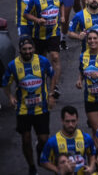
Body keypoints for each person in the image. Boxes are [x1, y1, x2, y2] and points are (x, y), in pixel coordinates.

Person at [3, 36, 55, 175]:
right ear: (20, 50)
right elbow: (5, 83)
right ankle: (32, 167)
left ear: (34, 48)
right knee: (26, 139)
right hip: (23, 109)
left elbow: (52, 75)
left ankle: (39, 150)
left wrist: (51, 95)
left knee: (43, 139)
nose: (27, 51)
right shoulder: (13, 65)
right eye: (24, 49)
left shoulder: (42, 61)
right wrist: (10, 96)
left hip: (41, 107)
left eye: (30, 48)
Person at [40, 105, 96, 174]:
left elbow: (92, 154)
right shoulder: (53, 141)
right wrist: (58, 170)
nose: (70, 125)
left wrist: (91, 167)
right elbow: (43, 161)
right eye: (67, 121)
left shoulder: (86, 138)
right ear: (62, 120)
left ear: (77, 120)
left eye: (73, 121)